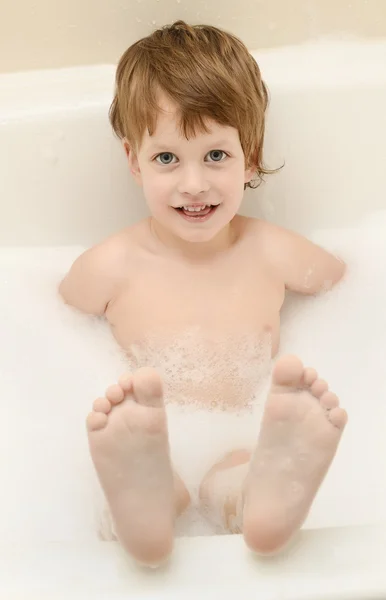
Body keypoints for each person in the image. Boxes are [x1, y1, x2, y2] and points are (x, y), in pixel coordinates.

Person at [59, 20, 348, 567]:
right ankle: (143, 503)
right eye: (167, 158)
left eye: (215, 155)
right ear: (133, 161)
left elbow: (351, 286)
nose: (193, 183)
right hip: (151, 432)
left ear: (251, 155)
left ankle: (259, 502)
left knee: (239, 473)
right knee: (142, 468)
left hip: (239, 432)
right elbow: (44, 326)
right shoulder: (108, 266)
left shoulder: (274, 251)